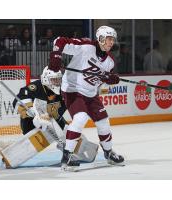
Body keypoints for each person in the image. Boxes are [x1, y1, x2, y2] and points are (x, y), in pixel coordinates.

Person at [49, 25, 124, 170]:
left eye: (112, 40)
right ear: (101, 38)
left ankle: (108, 153)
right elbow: (59, 41)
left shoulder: (110, 62)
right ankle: (67, 156)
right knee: (81, 117)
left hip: (90, 93)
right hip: (73, 89)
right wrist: (56, 56)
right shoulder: (86, 46)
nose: (111, 42)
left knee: (103, 121)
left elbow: (100, 79)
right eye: (108, 39)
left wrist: (109, 78)